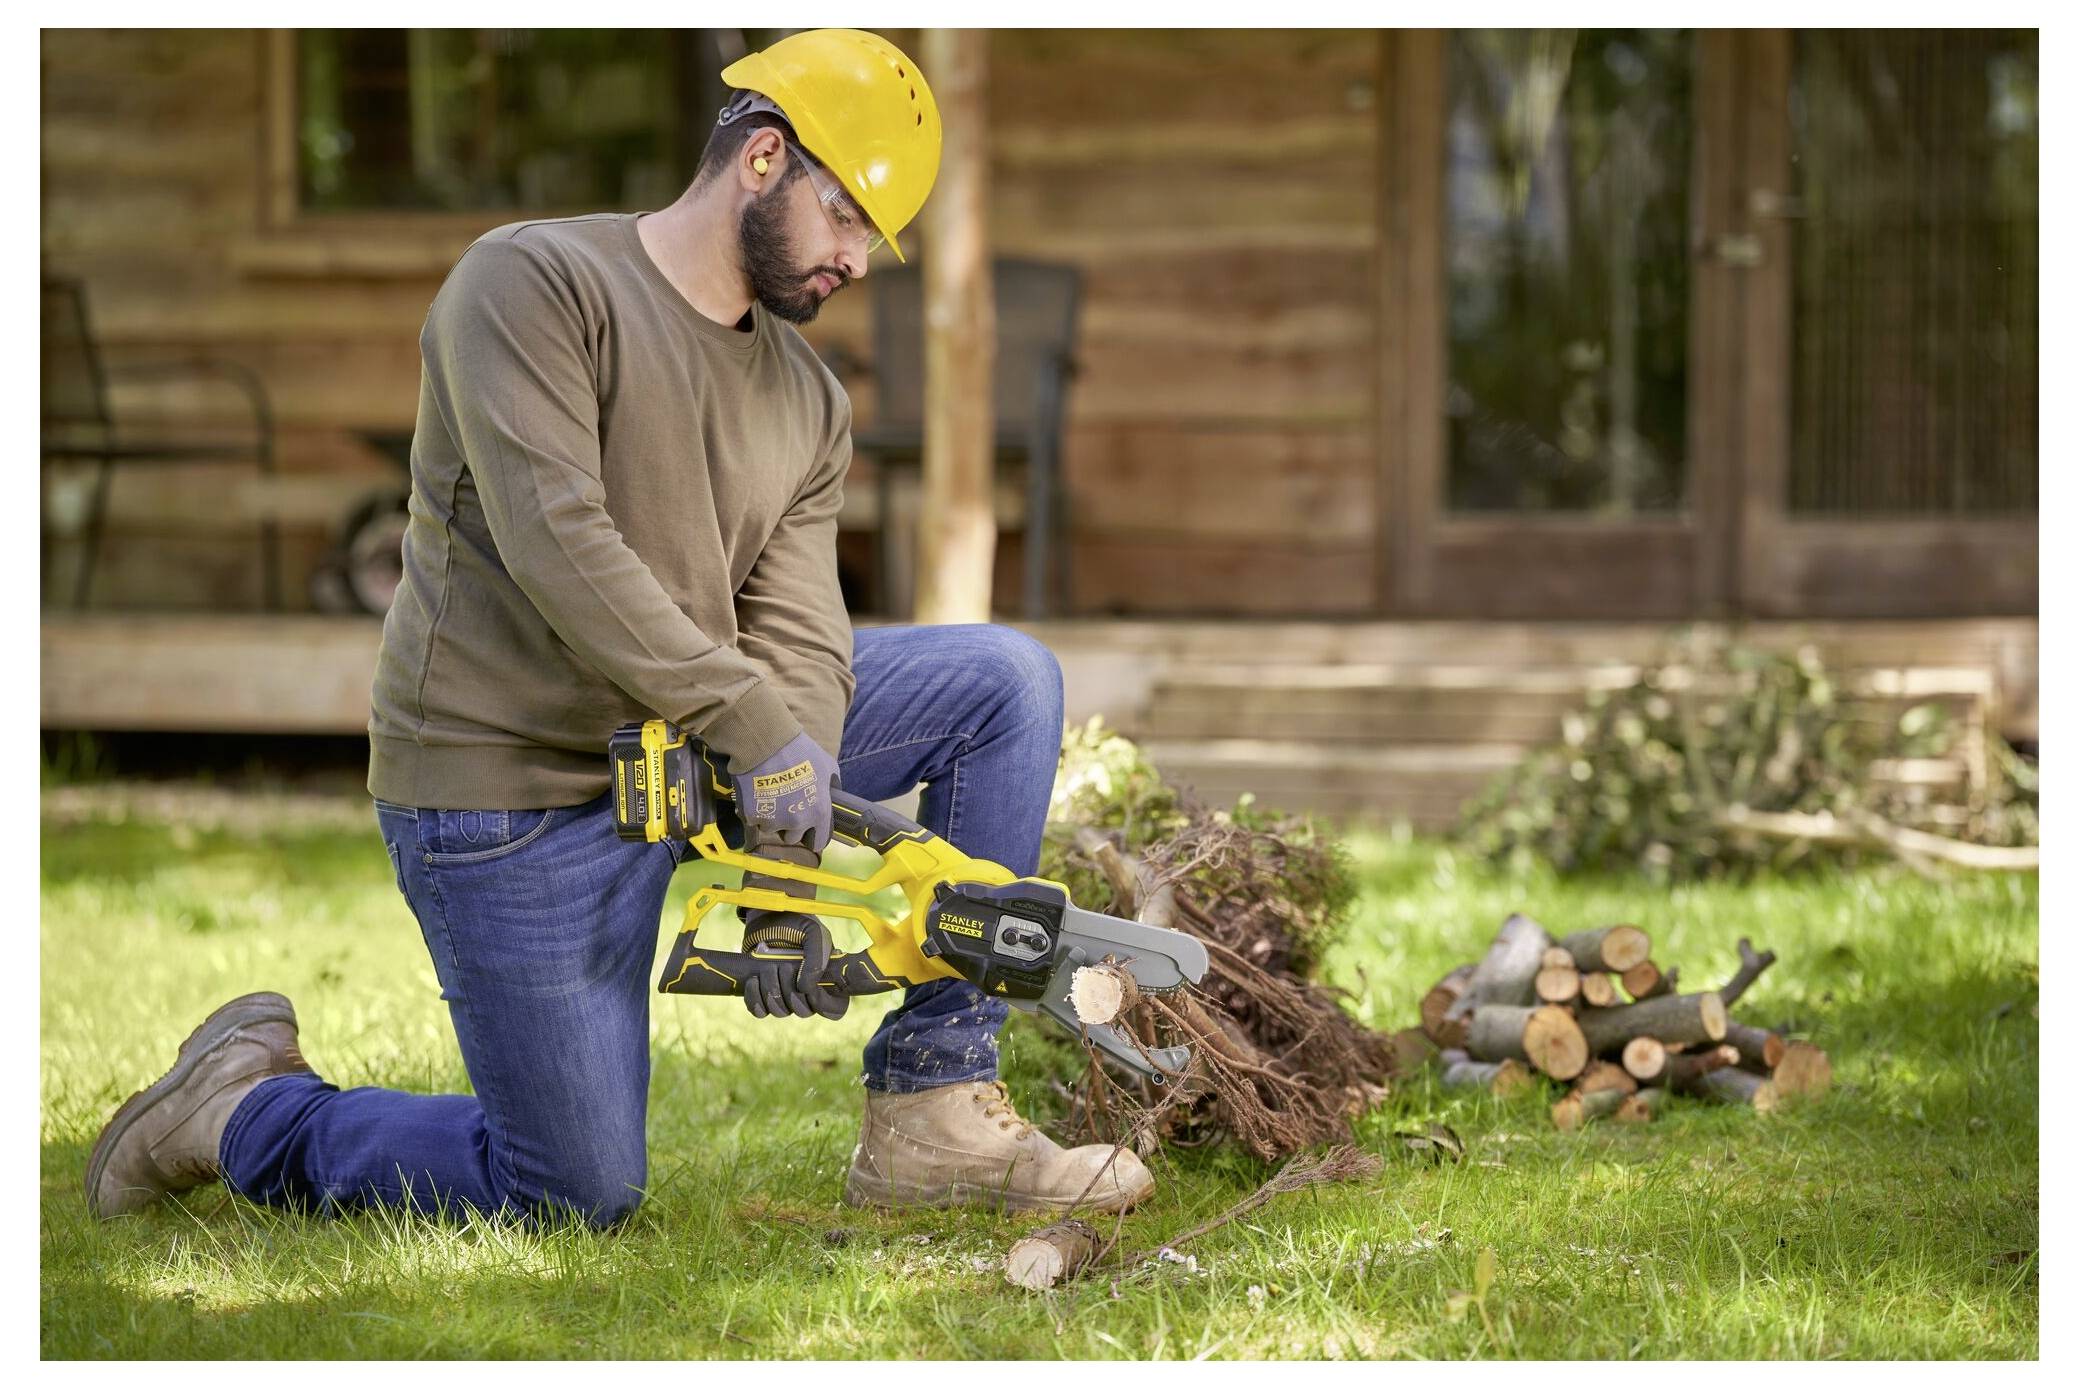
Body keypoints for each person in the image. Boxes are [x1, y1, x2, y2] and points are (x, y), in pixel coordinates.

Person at [85, 29, 1152, 1229]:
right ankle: (239, 1110)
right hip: (509, 792)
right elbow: (560, 540)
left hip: (688, 750)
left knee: (998, 680)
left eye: (872, 241)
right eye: (848, 219)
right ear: (763, 159)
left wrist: (785, 881)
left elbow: (799, 639)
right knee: (572, 1190)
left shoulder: (809, 398)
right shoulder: (530, 285)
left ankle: (934, 1104)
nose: (858, 260)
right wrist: (756, 729)